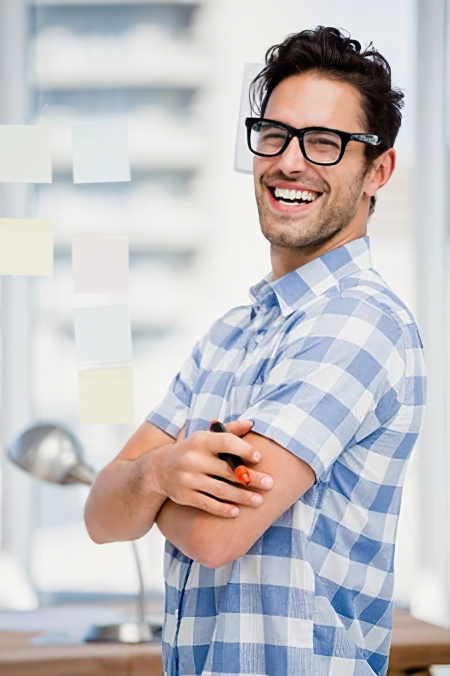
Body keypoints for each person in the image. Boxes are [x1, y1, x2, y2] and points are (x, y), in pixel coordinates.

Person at [84, 26, 427, 676]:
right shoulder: (230, 334)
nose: (290, 162)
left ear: (377, 170)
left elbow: (216, 537)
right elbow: (101, 515)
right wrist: (162, 475)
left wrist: (149, 477)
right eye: (275, 135)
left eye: (325, 143)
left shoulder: (359, 321)